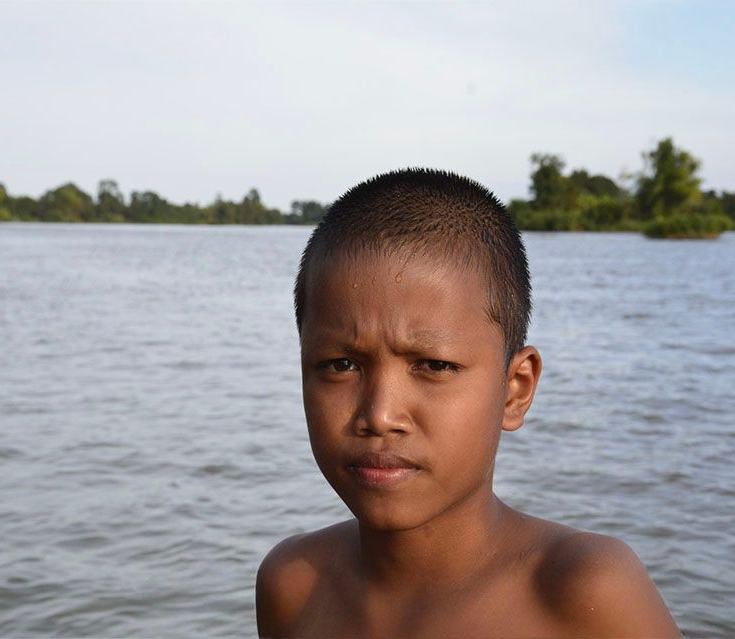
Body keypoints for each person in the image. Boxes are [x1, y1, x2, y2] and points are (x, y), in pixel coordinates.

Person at [256, 168, 679, 638]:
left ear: (515, 389)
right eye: (340, 365)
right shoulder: (293, 585)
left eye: (433, 366)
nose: (379, 414)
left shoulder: (581, 593)